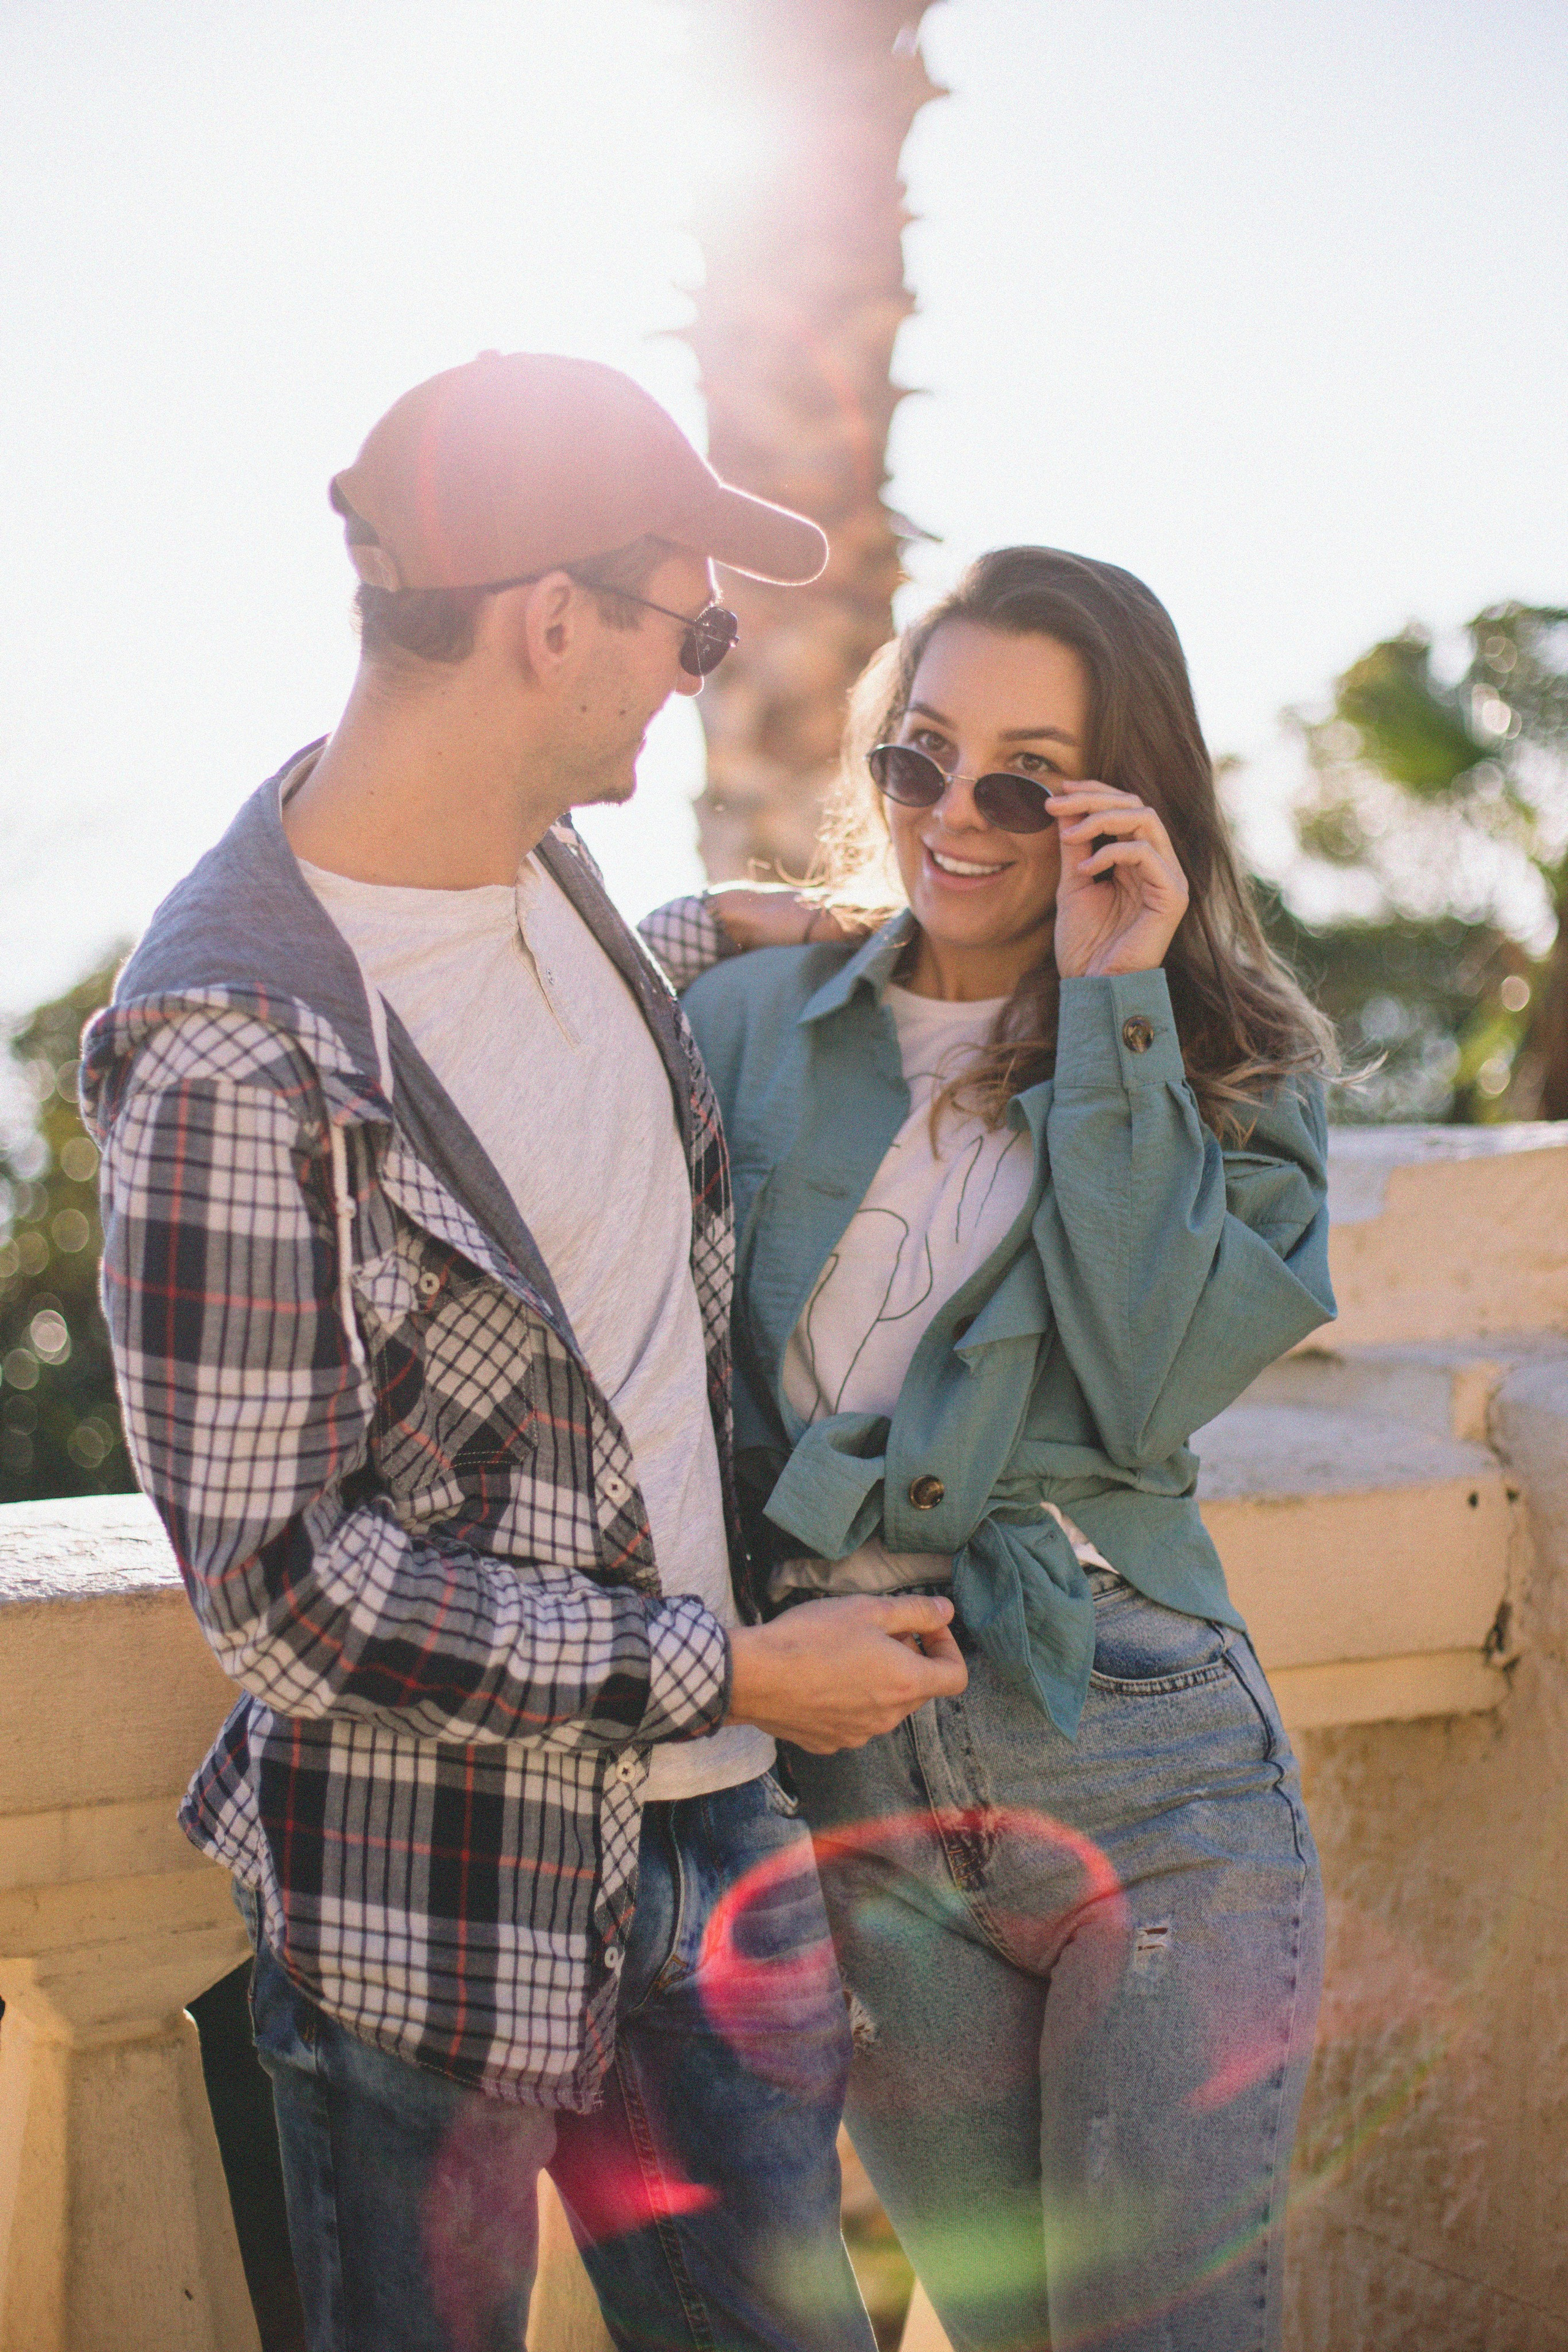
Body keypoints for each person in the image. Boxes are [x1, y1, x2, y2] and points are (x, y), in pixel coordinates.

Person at [80, 352, 967, 2352]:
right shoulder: (230, 1049)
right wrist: (726, 1667)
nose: (695, 671)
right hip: (433, 1928)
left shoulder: (545, 872)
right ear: (554, 620)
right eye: (689, 624)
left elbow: (507, 1140)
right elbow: (289, 1599)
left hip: (713, 1837)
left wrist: (706, 942)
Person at [648, 545, 1338, 2352]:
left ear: (1126, 802)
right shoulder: (740, 1029)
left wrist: (1118, 1000)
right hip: (858, 1805)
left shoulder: (1238, 1076)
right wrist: (724, 922)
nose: (958, 815)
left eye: (1025, 777)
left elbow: (1138, 1375)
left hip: (1155, 1788)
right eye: (920, 757)